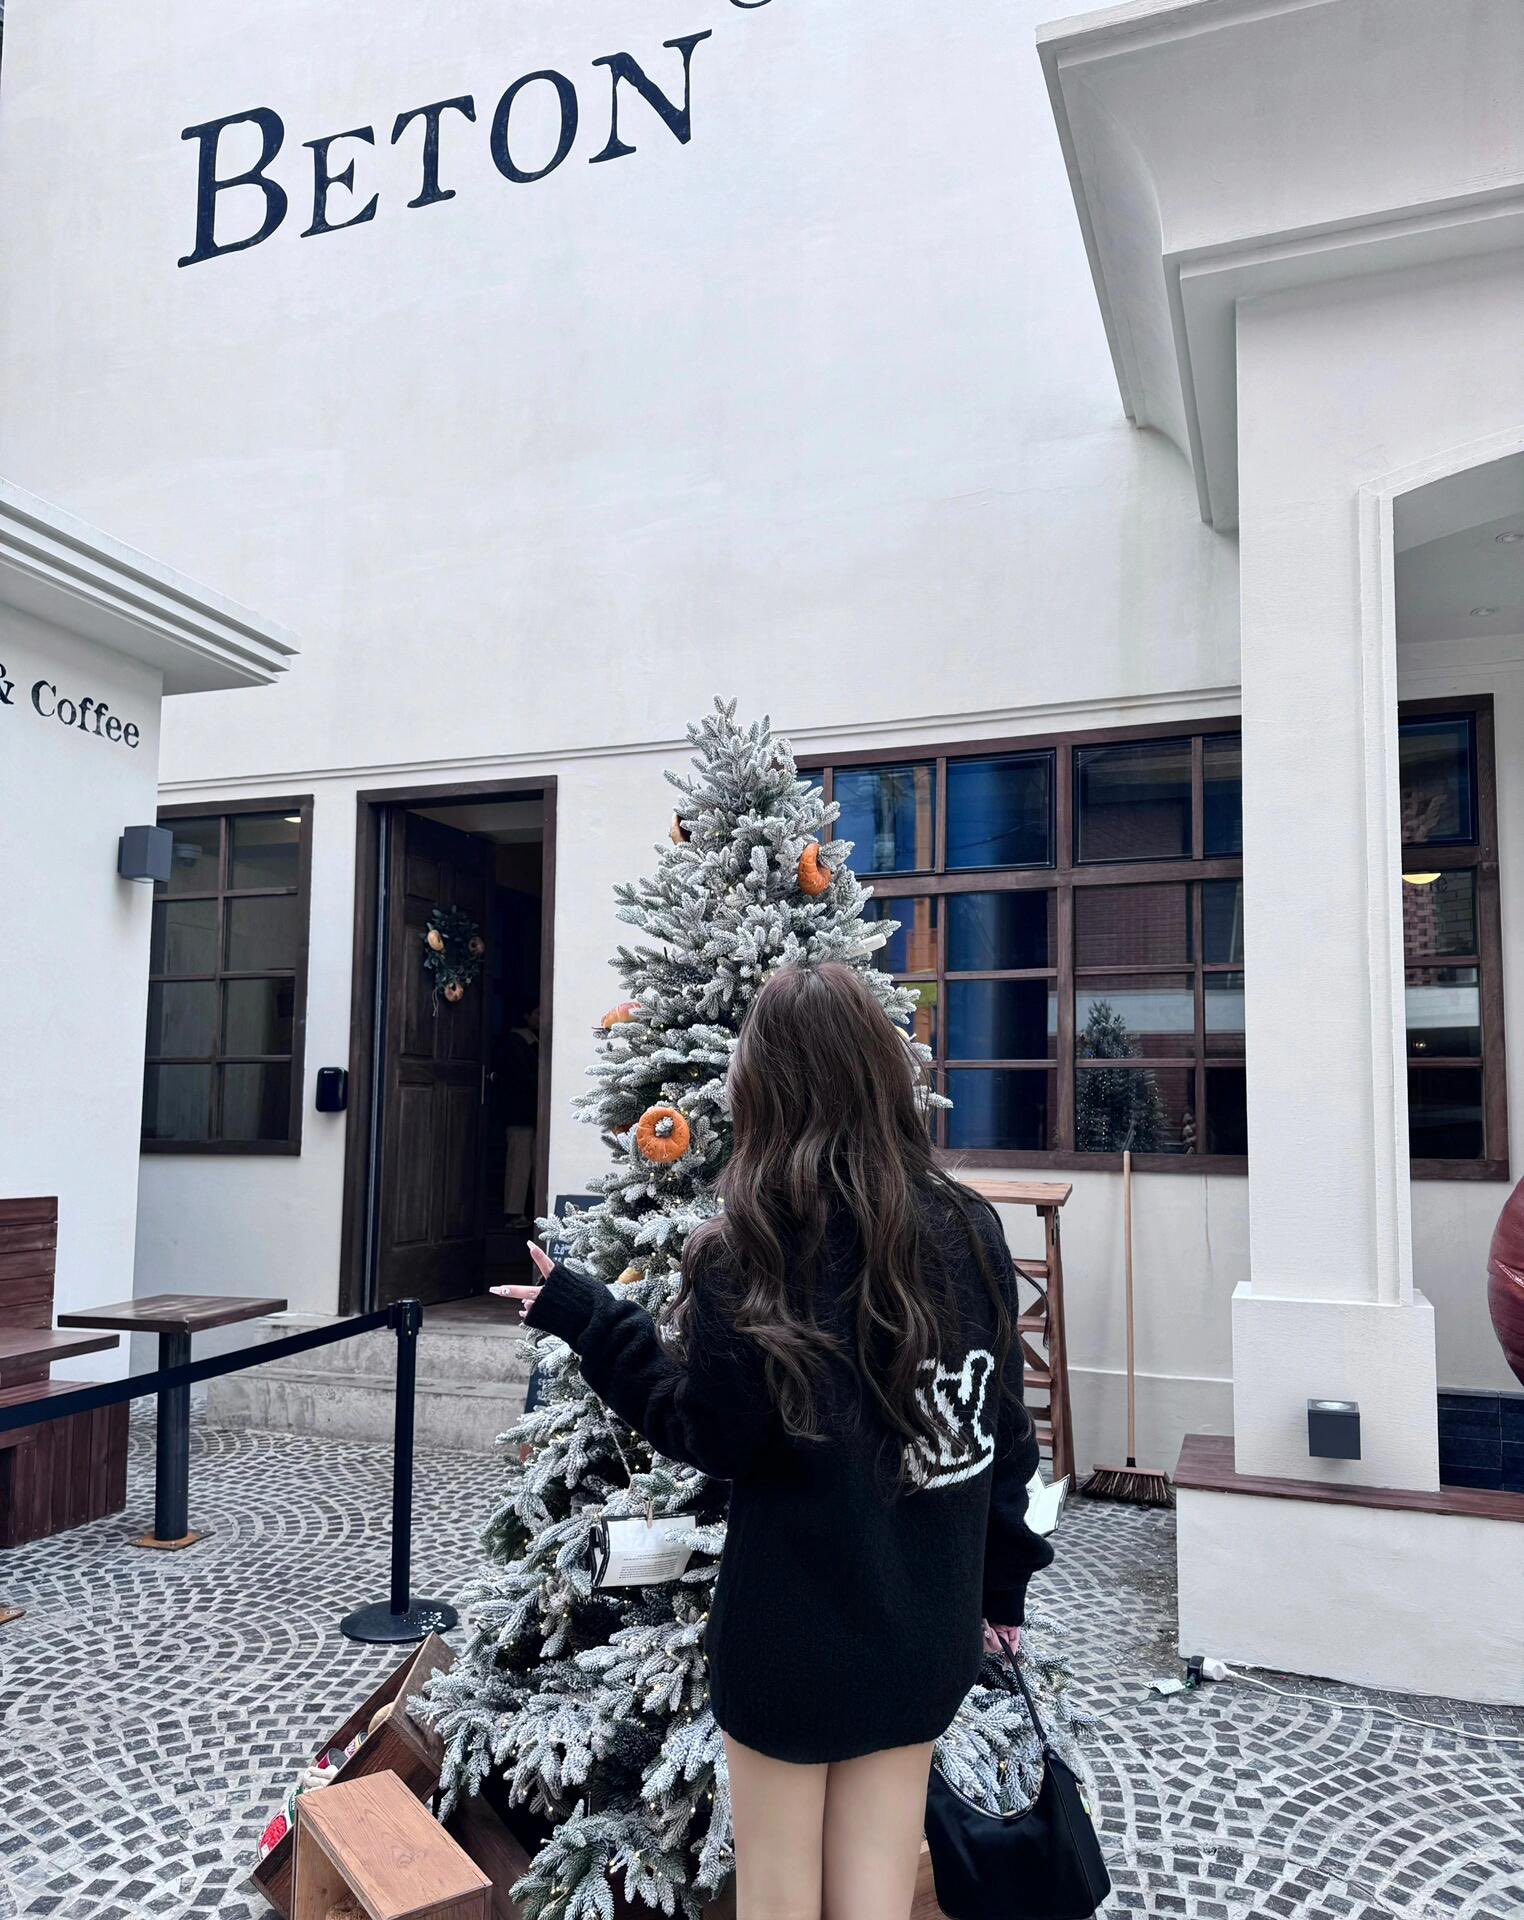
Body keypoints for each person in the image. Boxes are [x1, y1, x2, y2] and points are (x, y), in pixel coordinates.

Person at [501, 961, 1053, 1920]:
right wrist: (1001, 1589)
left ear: (763, 1089)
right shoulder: (969, 1232)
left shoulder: (751, 1252)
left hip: (790, 1646)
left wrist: (589, 1317)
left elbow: (705, 1431)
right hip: (923, 1635)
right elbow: (1003, 1437)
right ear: (883, 1075)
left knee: (780, 1901)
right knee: (874, 1897)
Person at [493, 1002, 540, 1225]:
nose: (541, 1018)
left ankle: (533, 1211)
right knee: (519, 1161)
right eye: (537, 1013)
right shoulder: (515, 1042)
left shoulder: (531, 1040)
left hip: (530, 1113)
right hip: (519, 1112)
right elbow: (519, 1077)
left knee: (533, 1161)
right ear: (525, 1015)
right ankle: (514, 1212)